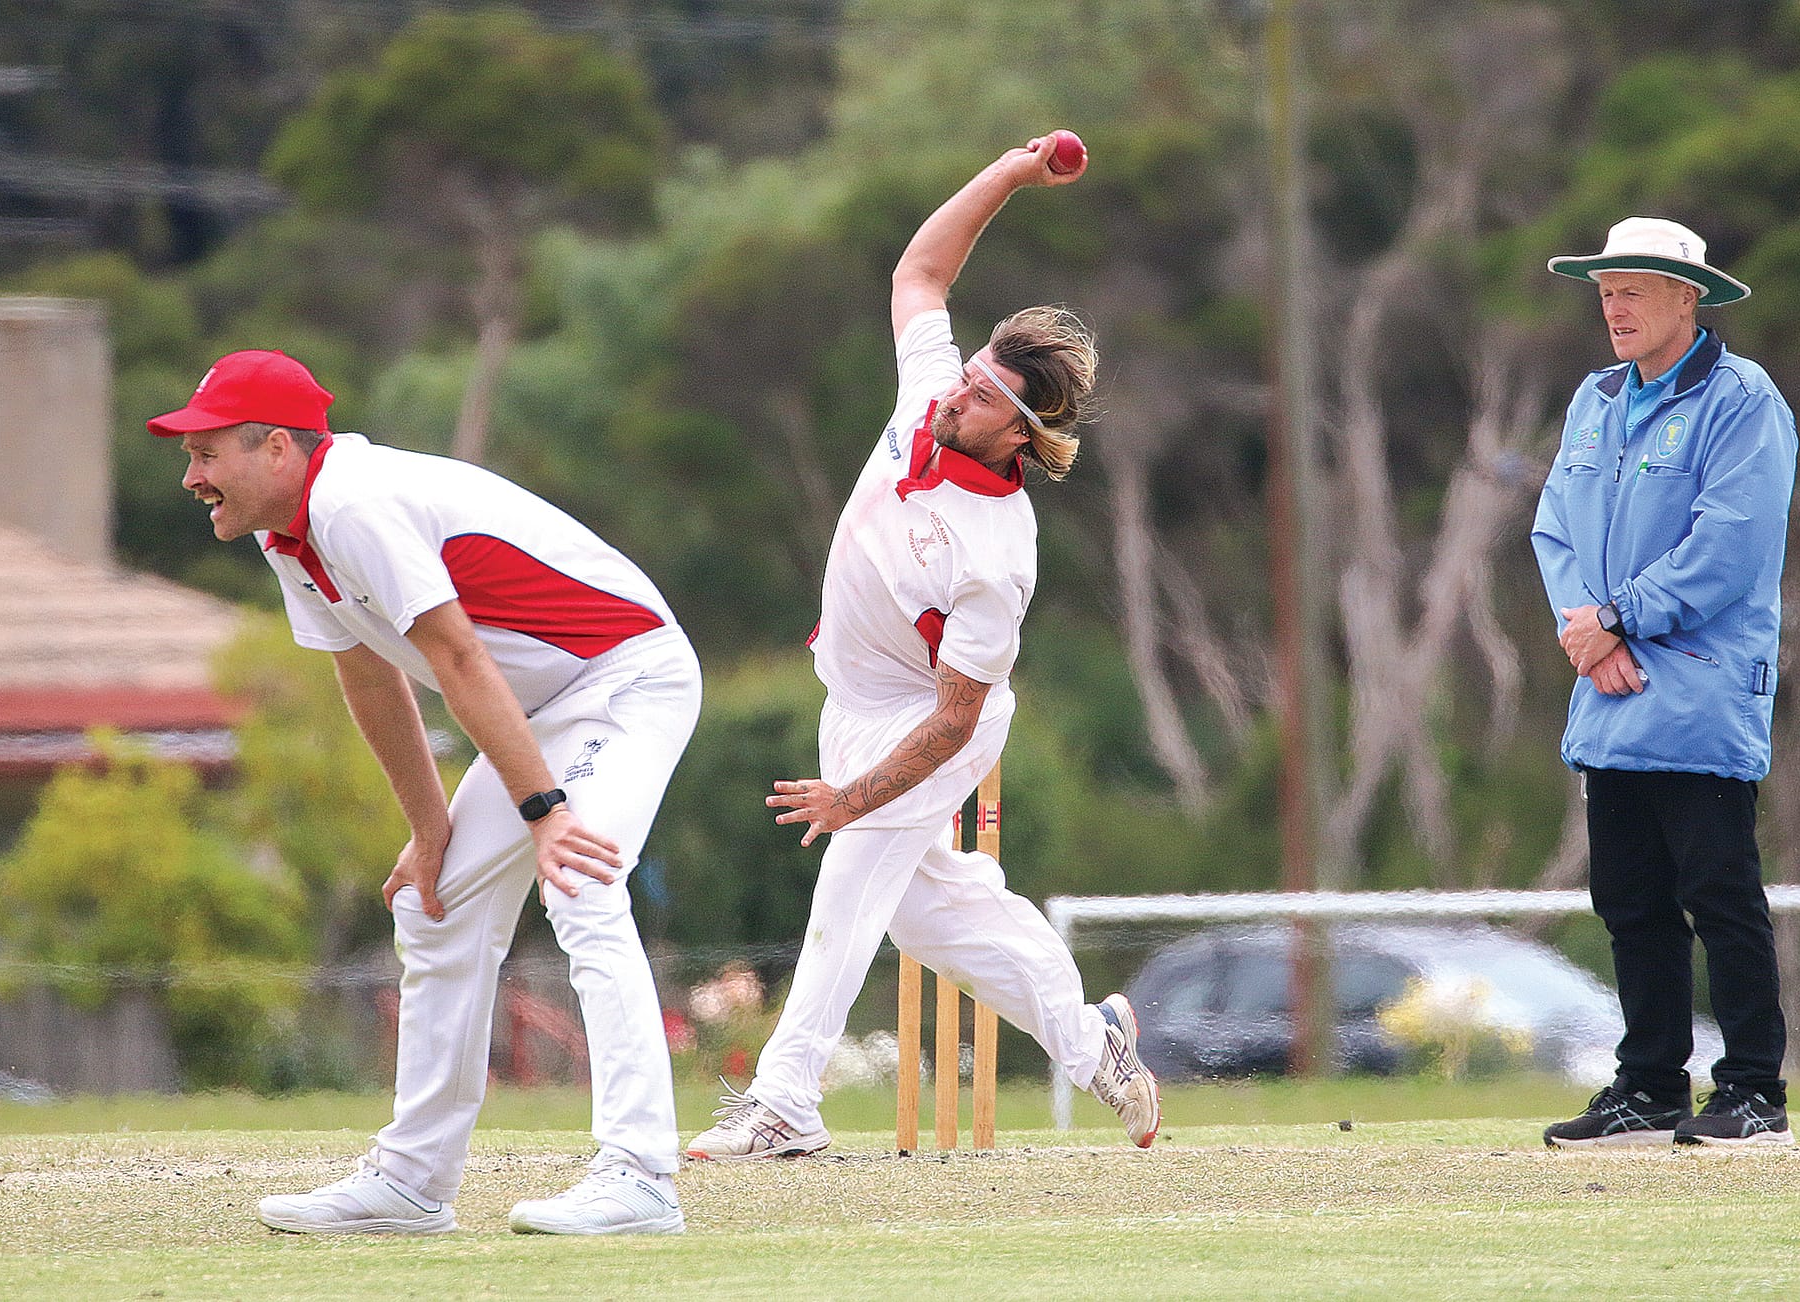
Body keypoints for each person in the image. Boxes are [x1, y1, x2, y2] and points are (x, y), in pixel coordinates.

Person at [684, 132, 1160, 1161]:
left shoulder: (997, 557)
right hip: (854, 701)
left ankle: (784, 1104)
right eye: (968, 376)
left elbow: (953, 719)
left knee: (850, 879)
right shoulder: (929, 396)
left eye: (982, 397)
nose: (955, 396)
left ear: (1021, 437)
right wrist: (1013, 171)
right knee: (933, 917)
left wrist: (851, 800)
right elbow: (920, 274)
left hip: (933, 721)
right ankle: (1095, 1043)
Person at [151, 349, 699, 1233]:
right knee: (431, 904)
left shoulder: (350, 504)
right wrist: (430, 828)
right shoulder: (287, 530)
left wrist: (547, 814)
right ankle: (412, 1184)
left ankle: (641, 1179)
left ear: (278, 448)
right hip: (541, 706)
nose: (192, 477)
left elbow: (455, 655)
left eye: (207, 454)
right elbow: (369, 673)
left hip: (625, 677)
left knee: (580, 878)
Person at [1531, 216, 1798, 1148]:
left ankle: (1755, 1093)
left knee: (1720, 894)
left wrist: (1617, 619)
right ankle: (1648, 1088)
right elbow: (1554, 527)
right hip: (1610, 687)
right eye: (1606, 291)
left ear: (1689, 297)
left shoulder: (1743, 399)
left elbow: (1731, 544)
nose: (1614, 307)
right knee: (1630, 900)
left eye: (1633, 290)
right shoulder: (1595, 397)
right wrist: (1589, 634)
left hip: (1702, 690)